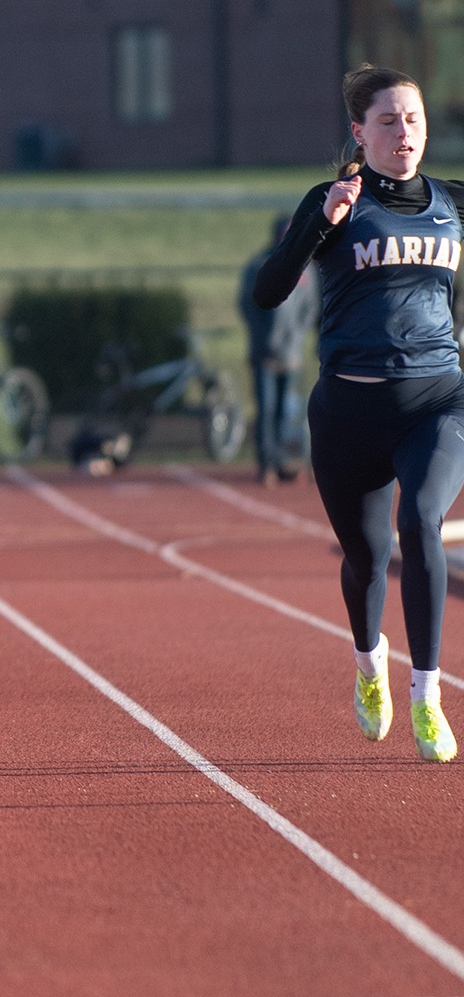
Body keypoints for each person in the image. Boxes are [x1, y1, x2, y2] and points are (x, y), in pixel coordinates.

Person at [254, 65, 464, 763]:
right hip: (348, 411)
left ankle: (427, 696)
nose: (403, 131)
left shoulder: (456, 204)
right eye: (387, 120)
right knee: (367, 559)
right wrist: (321, 223)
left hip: (437, 402)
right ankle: (371, 665)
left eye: (412, 119)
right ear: (359, 132)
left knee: (421, 522)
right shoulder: (335, 200)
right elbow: (268, 291)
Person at [239, 214, 317, 487]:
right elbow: (248, 305)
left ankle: (282, 462)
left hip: (291, 351)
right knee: (267, 409)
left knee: (285, 410)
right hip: (263, 352)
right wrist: (264, 338)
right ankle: (266, 464)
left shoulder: (306, 268)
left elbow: (310, 308)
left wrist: (296, 337)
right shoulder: (260, 264)